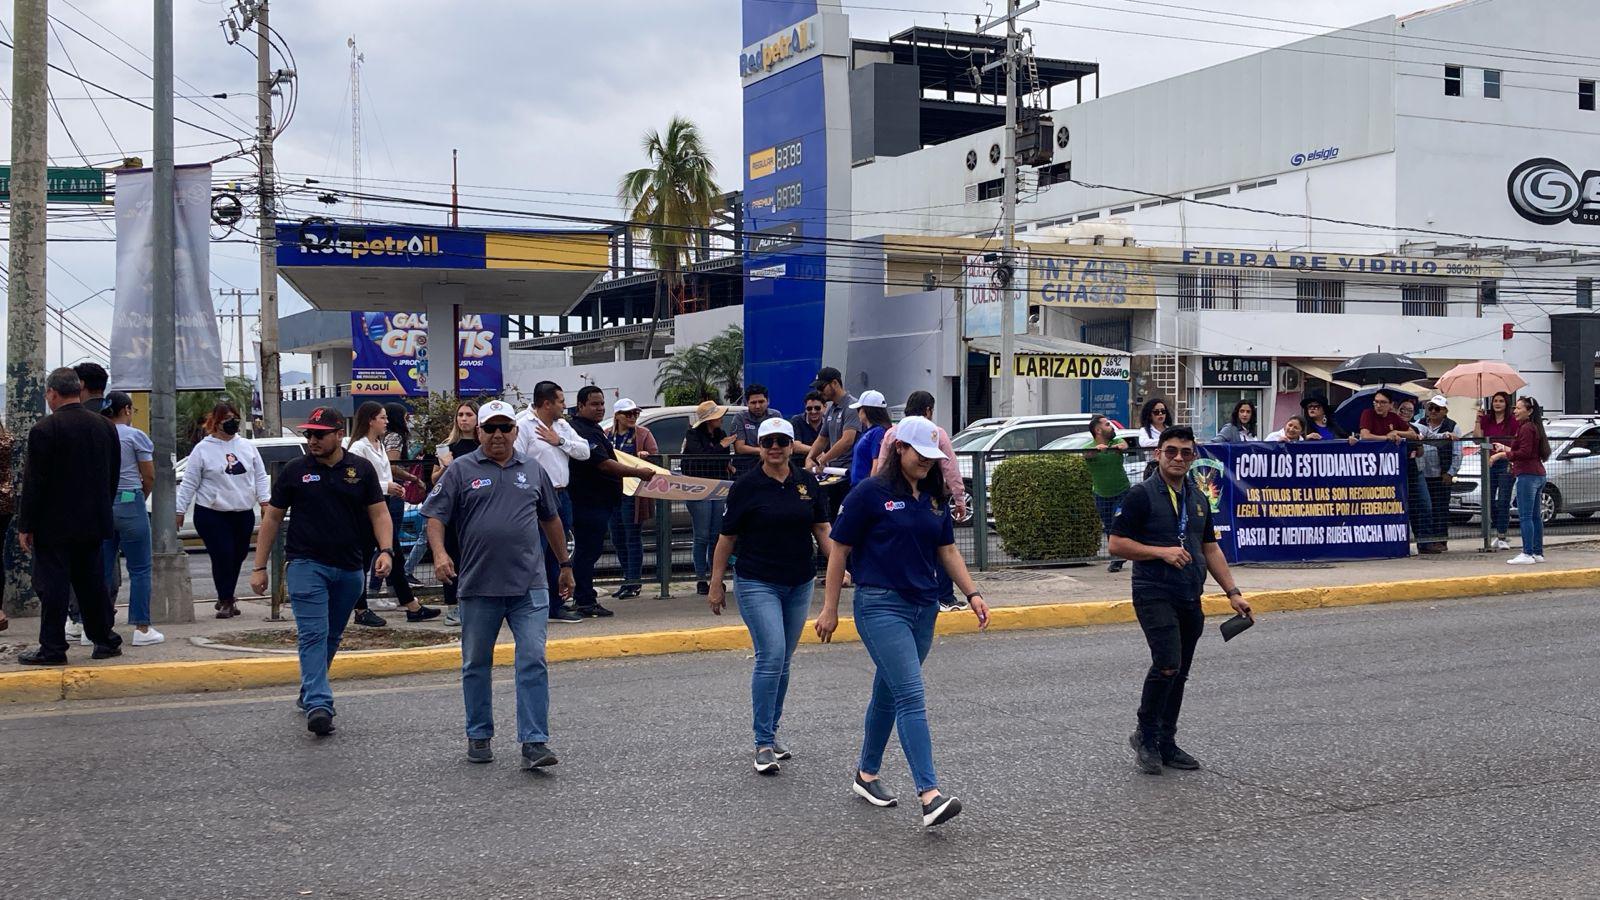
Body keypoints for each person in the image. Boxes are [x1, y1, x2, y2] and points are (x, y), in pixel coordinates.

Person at [817, 416, 989, 828]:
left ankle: (866, 773)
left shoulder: (932, 498)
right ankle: (930, 795)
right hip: (879, 605)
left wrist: (973, 593)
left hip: (923, 606)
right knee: (911, 694)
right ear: (899, 450)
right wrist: (829, 608)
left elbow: (947, 551)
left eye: (934, 457)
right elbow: (839, 549)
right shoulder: (869, 493)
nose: (927, 463)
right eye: (920, 455)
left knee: (890, 693)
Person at [422, 399, 576, 769]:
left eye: (505, 427)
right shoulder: (461, 469)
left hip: (529, 586)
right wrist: (440, 554)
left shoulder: (534, 469)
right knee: (476, 663)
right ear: (478, 432)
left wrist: (565, 564)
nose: (497, 435)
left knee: (533, 660)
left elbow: (551, 520)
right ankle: (479, 734)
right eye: (490, 428)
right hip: (478, 586)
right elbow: (435, 516)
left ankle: (535, 742)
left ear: (515, 431)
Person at [1109, 425, 1251, 775]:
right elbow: (1116, 545)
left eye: (1186, 452)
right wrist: (1161, 553)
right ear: (1157, 454)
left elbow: (1210, 547)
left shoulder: (1198, 497)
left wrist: (1233, 593)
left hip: (1191, 594)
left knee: (1180, 673)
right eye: (1171, 450)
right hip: (1154, 591)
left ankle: (1167, 741)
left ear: (1193, 457)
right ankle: (1145, 735)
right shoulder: (1141, 495)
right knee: (1167, 664)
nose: (1178, 458)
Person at [250, 407, 393, 736]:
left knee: (331, 635)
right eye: (308, 434)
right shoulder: (295, 471)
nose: (312, 439)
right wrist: (259, 567)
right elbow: (271, 518)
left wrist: (385, 551)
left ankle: (308, 690)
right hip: (305, 564)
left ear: (338, 434)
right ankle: (319, 703)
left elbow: (379, 513)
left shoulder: (361, 469)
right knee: (313, 633)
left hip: (349, 567)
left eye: (319, 434)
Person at [708, 417, 834, 773]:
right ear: (759, 447)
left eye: (782, 441)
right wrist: (717, 584)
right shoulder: (746, 486)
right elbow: (726, 539)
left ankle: (773, 730)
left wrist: (840, 565)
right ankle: (762, 743)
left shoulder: (806, 482)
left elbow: (822, 529)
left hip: (799, 581)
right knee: (772, 654)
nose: (775, 447)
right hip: (756, 580)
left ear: (793, 445)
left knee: (784, 660)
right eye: (768, 442)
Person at [16, 368, 122, 666]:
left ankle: (52, 647)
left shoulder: (44, 430)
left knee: (53, 586)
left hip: (54, 524)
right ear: (78, 389)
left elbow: (35, 482)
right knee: (92, 584)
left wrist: (26, 525)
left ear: (52, 393)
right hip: (93, 520)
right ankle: (105, 640)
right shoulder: (105, 427)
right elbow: (111, 476)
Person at [871, 391, 967, 610]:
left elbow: (882, 466)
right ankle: (944, 595)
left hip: (893, 498)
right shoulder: (937, 433)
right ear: (928, 410)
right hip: (928, 497)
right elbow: (950, 468)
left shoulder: (892, 433)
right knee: (941, 546)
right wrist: (959, 498)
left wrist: (876, 494)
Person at [175, 399, 270, 620]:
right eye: (226, 419)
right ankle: (227, 600)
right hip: (212, 513)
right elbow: (189, 482)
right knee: (222, 555)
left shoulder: (247, 447)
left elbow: (259, 476)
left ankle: (225, 594)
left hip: (243, 512)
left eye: (234, 419)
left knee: (237, 556)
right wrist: (180, 510)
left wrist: (265, 501)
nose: (231, 423)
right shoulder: (203, 449)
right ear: (215, 423)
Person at [567, 385, 656, 618]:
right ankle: (584, 600)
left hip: (600, 501)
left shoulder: (594, 429)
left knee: (592, 551)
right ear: (581, 406)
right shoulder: (582, 431)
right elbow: (603, 463)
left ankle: (585, 597)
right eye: (594, 404)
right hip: (588, 502)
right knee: (588, 552)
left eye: (602, 404)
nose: (600, 408)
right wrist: (638, 472)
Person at [347, 402, 439, 625]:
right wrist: (386, 486)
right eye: (382, 417)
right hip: (366, 510)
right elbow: (355, 481)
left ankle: (411, 605)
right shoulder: (359, 448)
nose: (386, 422)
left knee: (394, 555)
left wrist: (391, 488)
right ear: (371, 420)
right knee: (363, 559)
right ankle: (360, 609)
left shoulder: (377, 445)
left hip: (382, 506)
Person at [516, 381, 590, 623]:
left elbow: (584, 451)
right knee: (534, 551)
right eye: (560, 401)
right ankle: (529, 604)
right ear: (546, 403)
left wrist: (559, 441)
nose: (564, 406)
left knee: (558, 553)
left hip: (561, 495)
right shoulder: (523, 425)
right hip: (534, 497)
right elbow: (516, 459)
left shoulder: (562, 426)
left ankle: (555, 605)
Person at [100, 393, 160, 645]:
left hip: (102, 503)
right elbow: (149, 476)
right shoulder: (135, 436)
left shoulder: (98, 433)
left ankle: (94, 626)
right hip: (129, 499)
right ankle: (142, 628)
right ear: (126, 409)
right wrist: (139, 496)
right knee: (140, 568)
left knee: (100, 569)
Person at [424, 400, 480, 627]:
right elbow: (434, 480)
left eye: (468, 414)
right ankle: (453, 606)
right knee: (452, 557)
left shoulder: (483, 446)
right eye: (460, 415)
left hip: (476, 509)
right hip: (452, 512)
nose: (464, 419)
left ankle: (475, 602)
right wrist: (448, 465)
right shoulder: (446, 447)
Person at [605, 398, 658, 601]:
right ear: (617, 415)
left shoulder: (643, 434)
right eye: (628, 414)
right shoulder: (607, 435)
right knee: (617, 537)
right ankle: (626, 579)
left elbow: (655, 456)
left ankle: (634, 581)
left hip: (633, 492)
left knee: (632, 535)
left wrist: (646, 456)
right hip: (612, 492)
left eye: (635, 413)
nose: (632, 417)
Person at [1492, 396, 1551, 565]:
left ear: (1529, 411)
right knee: (1534, 517)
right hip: (1537, 474)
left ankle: (1527, 553)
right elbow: (1529, 451)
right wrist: (1505, 449)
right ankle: (1537, 552)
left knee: (1526, 516)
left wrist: (1502, 455)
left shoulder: (1526, 428)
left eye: (1519, 408)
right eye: (1515, 408)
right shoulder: (1534, 427)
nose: (1515, 411)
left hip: (1528, 475)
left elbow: (1524, 453)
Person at [682, 400, 733, 595]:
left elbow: (721, 456)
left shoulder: (720, 434)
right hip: (699, 488)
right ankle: (701, 577)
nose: (720, 418)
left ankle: (715, 576)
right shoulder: (693, 435)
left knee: (715, 535)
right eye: (717, 416)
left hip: (718, 487)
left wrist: (726, 459)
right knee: (701, 535)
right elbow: (701, 455)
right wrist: (721, 446)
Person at [804, 367, 860, 519]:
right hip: (834, 473)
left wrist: (823, 459)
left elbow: (847, 440)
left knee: (846, 516)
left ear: (834, 383)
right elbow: (822, 438)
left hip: (849, 472)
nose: (819, 391)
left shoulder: (852, 407)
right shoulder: (831, 410)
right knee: (831, 515)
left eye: (821, 387)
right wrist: (810, 457)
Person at [383, 401, 427, 589]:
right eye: (404, 416)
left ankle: (393, 583)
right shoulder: (395, 437)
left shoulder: (386, 436)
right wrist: (413, 478)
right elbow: (392, 466)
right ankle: (386, 585)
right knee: (389, 540)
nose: (407, 419)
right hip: (394, 490)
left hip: (392, 489)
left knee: (389, 540)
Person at [1084, 414, 1132, 573]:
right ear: (1098, 430)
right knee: (1110, 527)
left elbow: (1124, 444)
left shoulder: (1115, 441)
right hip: (1101, 494)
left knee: (1118, 522)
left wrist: (1119, 447)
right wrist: (1095, 450)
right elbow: (1086, 455)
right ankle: (1118, 555)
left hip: (1122, 492)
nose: (1111, 427)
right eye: (1107, 425)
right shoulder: (1089, 446)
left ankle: (1118, 558)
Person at [1474, 391, 1518, 551]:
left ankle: (1502, 535)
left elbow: (1516, 444)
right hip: (1489, 463)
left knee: (1504, 499)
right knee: (1489, 500)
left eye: (1500, 401)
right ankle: (1493, 531)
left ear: (1506, 403)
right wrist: (1478, 420)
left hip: (1506, 462)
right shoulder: (1486, 419)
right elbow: (1477, 438)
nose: (1497, 403)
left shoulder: (1512, 421)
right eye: (1495, 401)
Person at [728, 384, 782, 477]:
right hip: (745, 469)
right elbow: (740, 448)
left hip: (772, 468)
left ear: (768, 401)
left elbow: (781, 441)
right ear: (747, 403)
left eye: (761, 402)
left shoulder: (775, 416)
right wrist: (764, 451)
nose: (757, 406)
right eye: (753, 402)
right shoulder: (740, 418)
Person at [848, 390, 891, 486]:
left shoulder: (878, 432)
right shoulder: (869, 432)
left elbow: (877, 463)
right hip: (859, 487)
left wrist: (870, 489)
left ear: (865, 410)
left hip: (864, 488)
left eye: (858, 409)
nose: (857, 413)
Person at [1135, 397, 1173, 480]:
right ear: (1149, 415)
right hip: (1154, 469)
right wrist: (1167, 442)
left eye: (1163, 411)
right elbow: (1144, 443)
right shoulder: (1144, 430)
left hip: (1171, 467)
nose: (1160, 414)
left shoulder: (1170, 429)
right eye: (1156, 412)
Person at [789, 390, 827, 462]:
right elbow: (795, 446)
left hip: (824, 464)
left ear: (825, 407)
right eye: (809, 408)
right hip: (799, 465)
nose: (813, 411)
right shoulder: (797, 420)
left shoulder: (829, 422)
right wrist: (818, 452)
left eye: (817, 408)